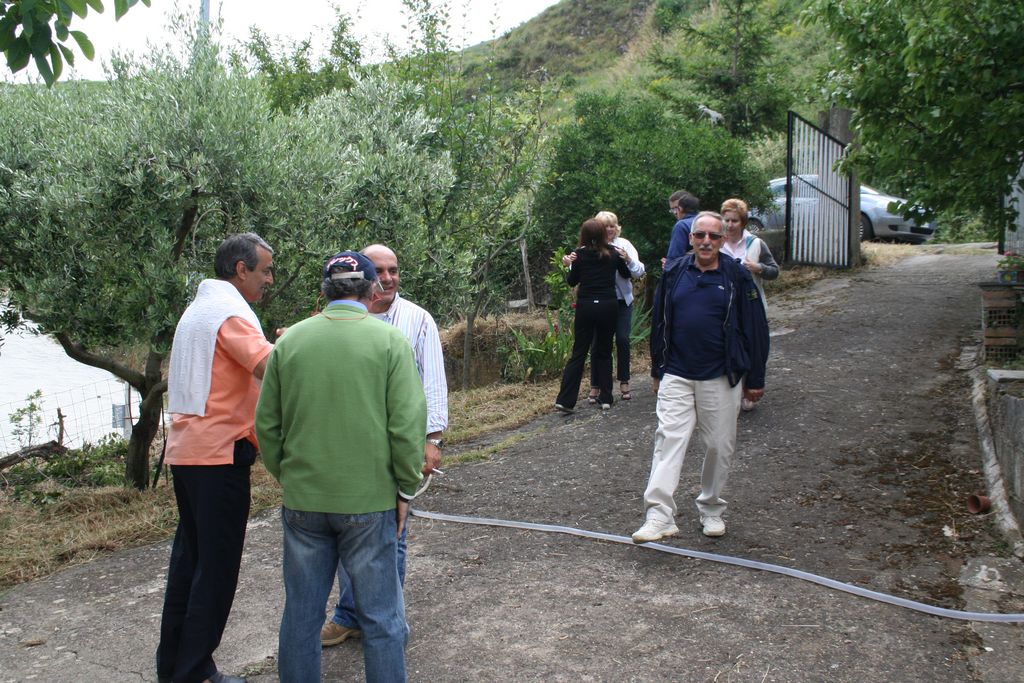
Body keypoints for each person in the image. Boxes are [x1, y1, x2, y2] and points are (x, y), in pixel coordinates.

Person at [255, 251, 426, 683]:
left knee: (301, 616)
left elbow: (267, 425)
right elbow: (407, 426)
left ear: (324, 292)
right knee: (382, 619)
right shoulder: (390, 342)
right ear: (372, 290)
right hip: (370, 501)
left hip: (304, 500)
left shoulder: (290, 342)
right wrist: (405, 488)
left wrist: (289, 476)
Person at [157, 232, 275, 683]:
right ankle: (195, 672)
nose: (269, 280)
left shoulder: (198, 310)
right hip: (220, 453)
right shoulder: (230, 314)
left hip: (187, 450)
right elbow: (270, 367)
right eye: (265, 270)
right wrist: (301, 342)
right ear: (241, 270)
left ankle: (175, 667)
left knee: (189, 564)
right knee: (217, 570)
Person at [320, 243, 448, 648]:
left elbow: (433, 382)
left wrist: (432, 439)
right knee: (350, 534)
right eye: (380, 270)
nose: (389, 278)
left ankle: (385, 620)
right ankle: (351, 615)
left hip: (398, 447)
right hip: (350, 448)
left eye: (394, 269)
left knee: (393, 535)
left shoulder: (417, 320)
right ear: (363, 276)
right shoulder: (336, 321)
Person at [631, 212, 769, 543]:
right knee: (668, 441)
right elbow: (659, 322)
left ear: (723, 240)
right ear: (691, 238)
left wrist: (755, 378)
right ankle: (659, 515)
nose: (706, 241)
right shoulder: (674, 272)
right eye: (700, 235)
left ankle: (711, 508)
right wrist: (657, 369)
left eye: (714, 236)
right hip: (677, 373)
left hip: (720, 375)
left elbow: (755, 328)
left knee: (719, 446)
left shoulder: (736, 276)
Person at [556, 218, 631, 412]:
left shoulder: (579, 255)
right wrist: (626, 259)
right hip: (608, 305)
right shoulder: (614, 253)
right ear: (603, 234)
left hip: (586, 305)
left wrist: (569, 265)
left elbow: (572, 281)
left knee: (579, 352)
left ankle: (565, 400)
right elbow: (626, 274)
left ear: (584, 235)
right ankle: (606, 398)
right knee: (604, 351)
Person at [720, 198, 780, 412]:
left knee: (753, 346)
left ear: (743, 222)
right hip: (725, 307)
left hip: (752, 305)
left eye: (734, 221)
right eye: (726, 220)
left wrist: (758, 268)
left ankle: (749, 387)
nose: (730, 225)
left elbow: (774, 271)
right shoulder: (717, 242)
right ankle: (733, 389)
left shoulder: (755, 243)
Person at [587, 211, 645, 403]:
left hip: (621, 302)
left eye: (612, 225)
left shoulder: (624, 244)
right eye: (605, 226)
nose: (609, 229)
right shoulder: (591, 246)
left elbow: (639, 271)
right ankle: (595, 384)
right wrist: (569, 263)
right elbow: (578, 268)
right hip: (600, 302)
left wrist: (627, 259)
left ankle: (624, 381)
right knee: (597, 343)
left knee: (622, 339)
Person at [665, 190, 700, 260]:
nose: (675, 212)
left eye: (676, 208)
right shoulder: (711, 221)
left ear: (680, 208)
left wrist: (669, 263)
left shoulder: (682, 226)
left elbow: (674, 259)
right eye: (672, 209)